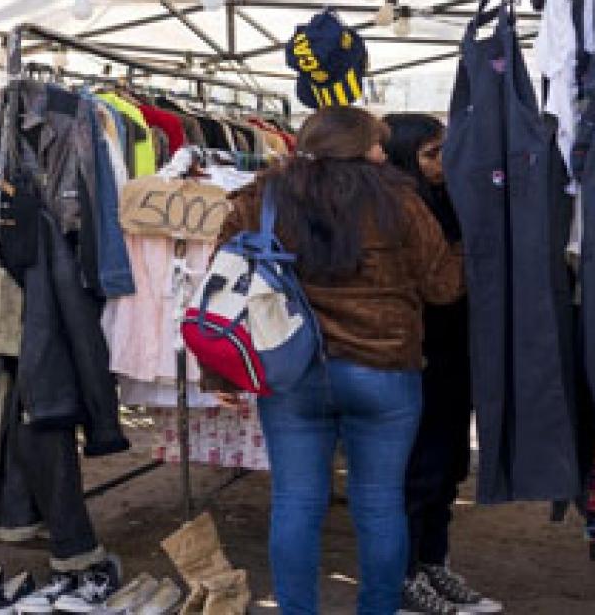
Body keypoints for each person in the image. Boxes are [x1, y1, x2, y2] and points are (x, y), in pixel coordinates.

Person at [216, 107, 464, 615]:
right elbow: (442, 287)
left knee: (296, 502)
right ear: (358, 147)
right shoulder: (399, 199)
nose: (381, 153)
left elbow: (224, 282)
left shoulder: (262, 196)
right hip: (384, 369)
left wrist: (219, 369)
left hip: (292, 368)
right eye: (377, 144)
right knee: (379, 503)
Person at [383, 113, 503, 615]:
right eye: (431, 154)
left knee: (448, 466)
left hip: (453, 352)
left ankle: (432, 564)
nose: (442, 163)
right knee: (420, 470)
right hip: (419, 355)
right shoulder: (398, 207)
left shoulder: (443, 200)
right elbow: (437, 284)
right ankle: (407, 577)